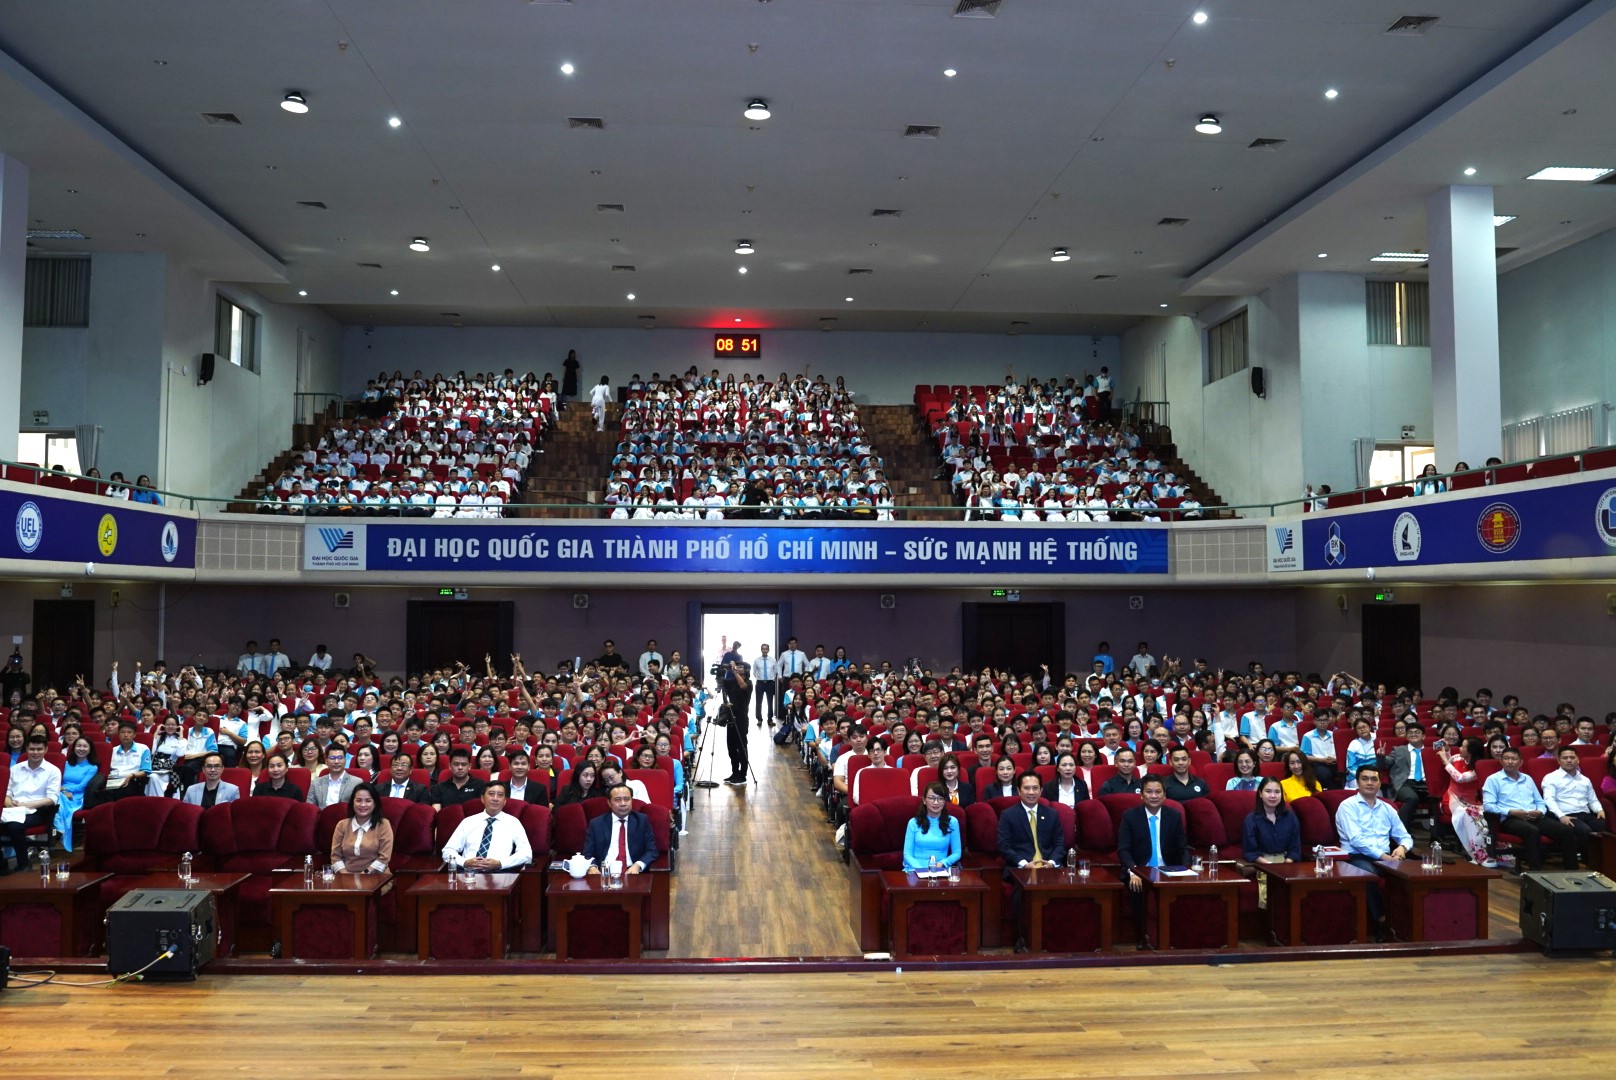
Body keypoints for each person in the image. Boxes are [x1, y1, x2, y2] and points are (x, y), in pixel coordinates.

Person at [1335, 765, 1413, 936]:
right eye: (1365, 779)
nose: (1369, 783)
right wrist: (1384, 856)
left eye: (1374, 779)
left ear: (1379, 783)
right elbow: (1356, 840)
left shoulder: (1387, 808)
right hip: (1355, 857)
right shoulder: (1347, 806)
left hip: (1386, 858)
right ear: (1357, 782)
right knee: (1368, 875)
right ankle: (1381, 922)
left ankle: (1408, 923)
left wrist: (1401, 848)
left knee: (1413, 875)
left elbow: (1405, 836)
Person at [1117, 776, 1188, 949]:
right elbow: (1123, 849)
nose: (1154, 796)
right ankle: (1144, 937)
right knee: (1136, 887)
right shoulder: (1130, 816)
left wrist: (1187, 869)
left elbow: (1183, 847)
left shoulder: (1174, 815)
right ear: (1141, 795)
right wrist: (1133, 871)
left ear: (1164, 795)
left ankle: (1175, 938)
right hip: (1141, 871)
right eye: (1149, 792)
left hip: (1168, 869)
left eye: (1158, 792)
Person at [1482, 747, 1576, 871]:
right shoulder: (1493, 779)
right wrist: (1511, 812)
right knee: (1532, 831)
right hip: (1511, 819)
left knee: (1566, 831)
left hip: (1533, 816)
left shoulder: (1527, 778)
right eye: (1506, 759)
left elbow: (1540, 801)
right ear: (1501, 761)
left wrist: (1540, 811)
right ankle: (1535, 872)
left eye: (1514, 759)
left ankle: (1572, 870)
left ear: (1521, 762)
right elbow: (1488, 805)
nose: (1510, 762)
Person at [1540, 747, 1608, 867]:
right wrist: (1561, 816)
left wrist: (1600, 810)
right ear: (1558, 761)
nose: (1569, 760)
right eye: (1565, 758)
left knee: (1607, 827)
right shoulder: (1551, 778)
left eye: (1572, 757)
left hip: (1585, 814)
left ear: (1578, 760)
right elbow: (1549, 800)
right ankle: (1591, 864)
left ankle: (1607, 862)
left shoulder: (1584, 779)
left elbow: (1592, 800)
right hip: (1566, 815)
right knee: (1585, 831)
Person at [441, 782, 532, 871]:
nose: (495, 798)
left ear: (504, 801)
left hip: (500, 875)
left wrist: (500, 863)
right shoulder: (468, 822)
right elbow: (447, 851)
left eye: (500, 795)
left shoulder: (513, 823)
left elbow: (526, 853)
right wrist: (465, 862)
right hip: (469, 874)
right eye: (491, 794)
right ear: (482, 799)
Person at [3, 735, 61, 874]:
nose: (35, 752)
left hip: (39, 810)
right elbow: (7, 791)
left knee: (14, 826)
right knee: (9, 821)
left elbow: (51, 799)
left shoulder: (53, 770)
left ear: (45, 750)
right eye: (32, 749)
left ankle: (24, 864)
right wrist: (8, 801)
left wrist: (27, 804)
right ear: (26, 750)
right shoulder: (16, 768)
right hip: (13, 808)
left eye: (39, 749)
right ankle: (2, 863)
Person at [1437, 738, 1494, 865]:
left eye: (1463, 747)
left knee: (1484, 814)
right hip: (1452, 799)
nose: (1460, 748)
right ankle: (1478, 854)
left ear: (1471, 751)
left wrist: (1446, 760)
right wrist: (1446, 751)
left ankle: (1491, 851)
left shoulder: (1478, 767)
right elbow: (1449, 763)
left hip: (1472, 801)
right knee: (1468, 814)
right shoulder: (1457, 757)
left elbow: (1460, 778)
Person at [582, 782, 660, 875]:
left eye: (627, 799)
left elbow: (652, 850)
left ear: (632, 801)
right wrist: (592, 867)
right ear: (609, 803)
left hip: (633, 871)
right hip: (604, 873)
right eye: (617, 800)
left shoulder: (642, 821)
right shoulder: (596, 823)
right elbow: (587, 853)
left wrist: (638, 865)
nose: (623, 803)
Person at [996, 771, 1063, 869]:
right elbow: (1004, 846)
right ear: (1019, 790)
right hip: (1020, 868)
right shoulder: (1008, 815)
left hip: (1049, 867)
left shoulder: (1052, 814)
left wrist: (1052, 863)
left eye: (1035, 788)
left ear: (1041, 790)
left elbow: (1059, 844)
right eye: (1026, 788)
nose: (1031, 792)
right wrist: (1024, 864)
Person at [328, 783, 393, 874]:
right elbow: (335, 857)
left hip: (376, 877)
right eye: (358, 800)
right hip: (346, 876)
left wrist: (362, 876)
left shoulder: (383, 824)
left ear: (375, 804)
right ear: (352, 803)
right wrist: (346, 875)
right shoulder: (342, 825)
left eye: (368, 801)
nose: (363, 805)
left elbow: (384, 858)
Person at [903, 783, 963, 872]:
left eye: (940, 798)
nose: (936, 802)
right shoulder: (913, 823)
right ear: (924, 800)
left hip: (940, 869)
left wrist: (943, 863)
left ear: (944, 801)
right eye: (931, 798)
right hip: (914, 869)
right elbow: (907, 855)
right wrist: (922, 870)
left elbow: (957, 853)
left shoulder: (952, 822)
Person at [55, 737, 100, 850]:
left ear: (90, 750)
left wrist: (64, 790)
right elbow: (57, 781)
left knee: (59, 798)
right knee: (55, 798)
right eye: (78, 746)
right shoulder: (65, 764)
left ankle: (59, 827)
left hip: (76, 796)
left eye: (85, 746)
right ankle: (58, 828)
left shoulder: (92, 767)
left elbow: (81, 786)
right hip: (61, 792)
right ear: (73, 748)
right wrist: (63, 790)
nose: (81, 749)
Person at [1243, 777, 1301, 862]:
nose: (1273, 796)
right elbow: (1251, 852)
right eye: (1268, 791)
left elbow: (1295, 848)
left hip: (1286, 864)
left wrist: (1287, 863)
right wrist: (1269, 866)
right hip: (1262, 865)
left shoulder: (1290, 817)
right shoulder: (1251, 819)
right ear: (1260, 793)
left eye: (1277, 792)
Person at [718, 641, 751, 785]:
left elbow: (742, 686)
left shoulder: (748, 683)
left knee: (741, 747)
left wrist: (735, 672)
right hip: (731, 717)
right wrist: (721, 671)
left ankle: (743, 775)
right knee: (731, 747)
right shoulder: (732, 682)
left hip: (741, 719)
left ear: (746, 670)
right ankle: (734, 772)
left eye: (741, 666)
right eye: (737, 666)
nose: (738, 667)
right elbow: (722, 683)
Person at [1386, 722, 1430, 832]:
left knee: (1436, 798)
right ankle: (1401, 832)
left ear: (1423, 736)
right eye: (1410, 732)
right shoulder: (1398, 750)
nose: (1413, 734)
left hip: (1426, 783)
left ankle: (1437, 835)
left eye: (1417, 732)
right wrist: (1381, 757)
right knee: (1412, 798)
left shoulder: (1431, 751)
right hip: (1405, 783)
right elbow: (1385, 764)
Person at [307, 744, 362, 809]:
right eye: (332, 758)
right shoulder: (316, 783)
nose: (336, 762)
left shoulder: (356, 782)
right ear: (326, 761)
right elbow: (310, 808)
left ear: (345, 760)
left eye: (340, 758)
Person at [751, 642, 777, 728]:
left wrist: (770, 678)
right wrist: (761, 678)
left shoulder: (773, 660)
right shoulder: (757, 660)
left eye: (766, 649)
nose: (765, 650)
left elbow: (775, 672)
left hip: (770, 683)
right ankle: (759, 719)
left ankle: (770, 719)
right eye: (763, 648)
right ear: (761, 650)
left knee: (770, 702)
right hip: (760, 683)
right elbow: (754, 672)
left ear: (768, 650)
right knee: (759, 702)